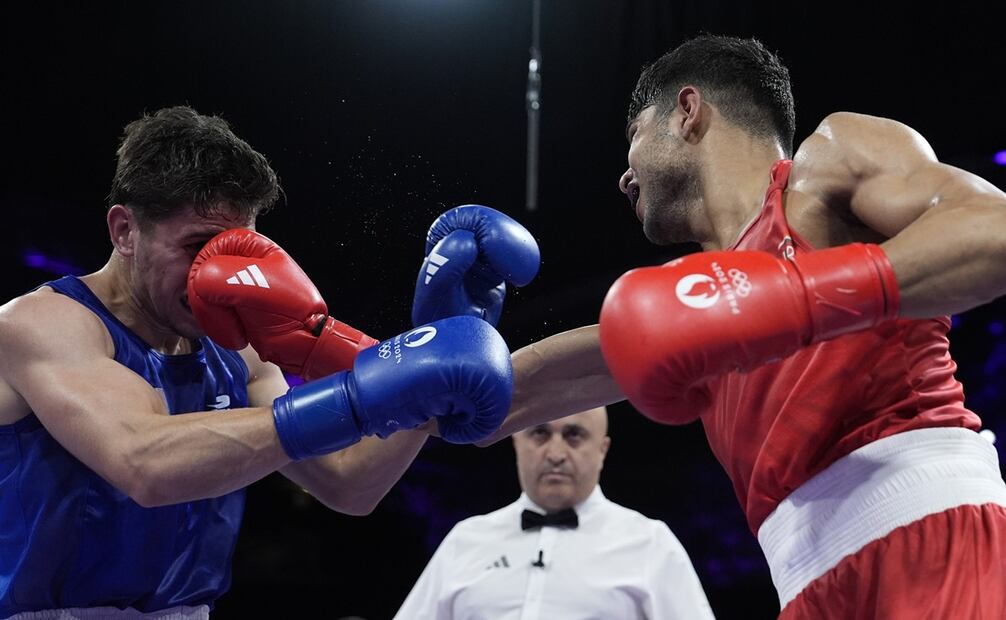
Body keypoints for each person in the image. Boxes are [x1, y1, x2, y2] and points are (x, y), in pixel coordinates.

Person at [413, 36, 1006, 618]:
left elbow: (995, 229)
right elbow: (473, 410)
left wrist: (798, 296)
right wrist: (422, 356)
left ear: (687, 111)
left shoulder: (824, 170)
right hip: (808, 588)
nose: (624, 175)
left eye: (633, 138)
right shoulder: (684, 314)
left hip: (936, 537)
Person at [0, 106, 524, 618]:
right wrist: (358, 396)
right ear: (124, 232)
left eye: (235, 248)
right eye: (197, 246)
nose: (213, 273)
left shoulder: (237, 349)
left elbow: (347, 485)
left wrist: (429, 373)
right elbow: (144, 463)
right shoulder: (42, 325)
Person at [393, 406, 714, 619]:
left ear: (602, 451)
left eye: (574, 436)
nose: (556, 453)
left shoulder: (649, 542)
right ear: (516, 442)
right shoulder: (466, 540)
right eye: (540, 434)